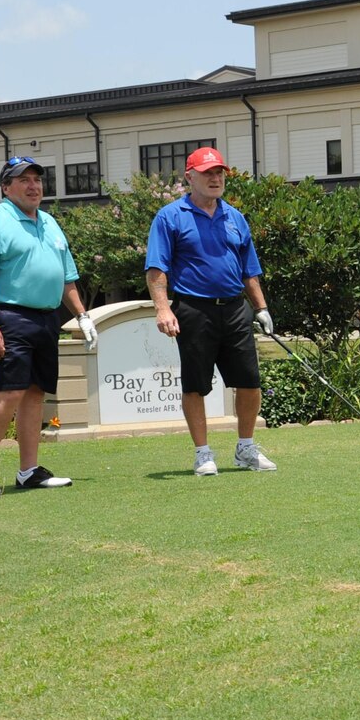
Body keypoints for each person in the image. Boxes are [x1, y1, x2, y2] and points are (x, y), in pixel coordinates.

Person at [0, 157, 96, 497]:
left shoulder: (49, 223)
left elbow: (66, 278)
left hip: (47, 318)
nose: (33, 186)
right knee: (11, 390)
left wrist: (81, 314)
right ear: (6, 187)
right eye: (24, 180)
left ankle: (29, 471)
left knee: (36, 393)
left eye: (37, 179)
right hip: (7, 316)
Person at [144, 147, 277, 476]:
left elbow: (250, 270)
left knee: (249, 382)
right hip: (193, 308)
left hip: (235, 308)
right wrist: (163, 309)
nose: (215, 178)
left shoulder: (235, 217)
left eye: (219, 172)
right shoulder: (171, 216)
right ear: (190, 177)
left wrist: (261, 308)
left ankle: (246, 448)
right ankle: (203, 453)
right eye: (207, 173)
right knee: (195, 385)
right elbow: (156, 269)